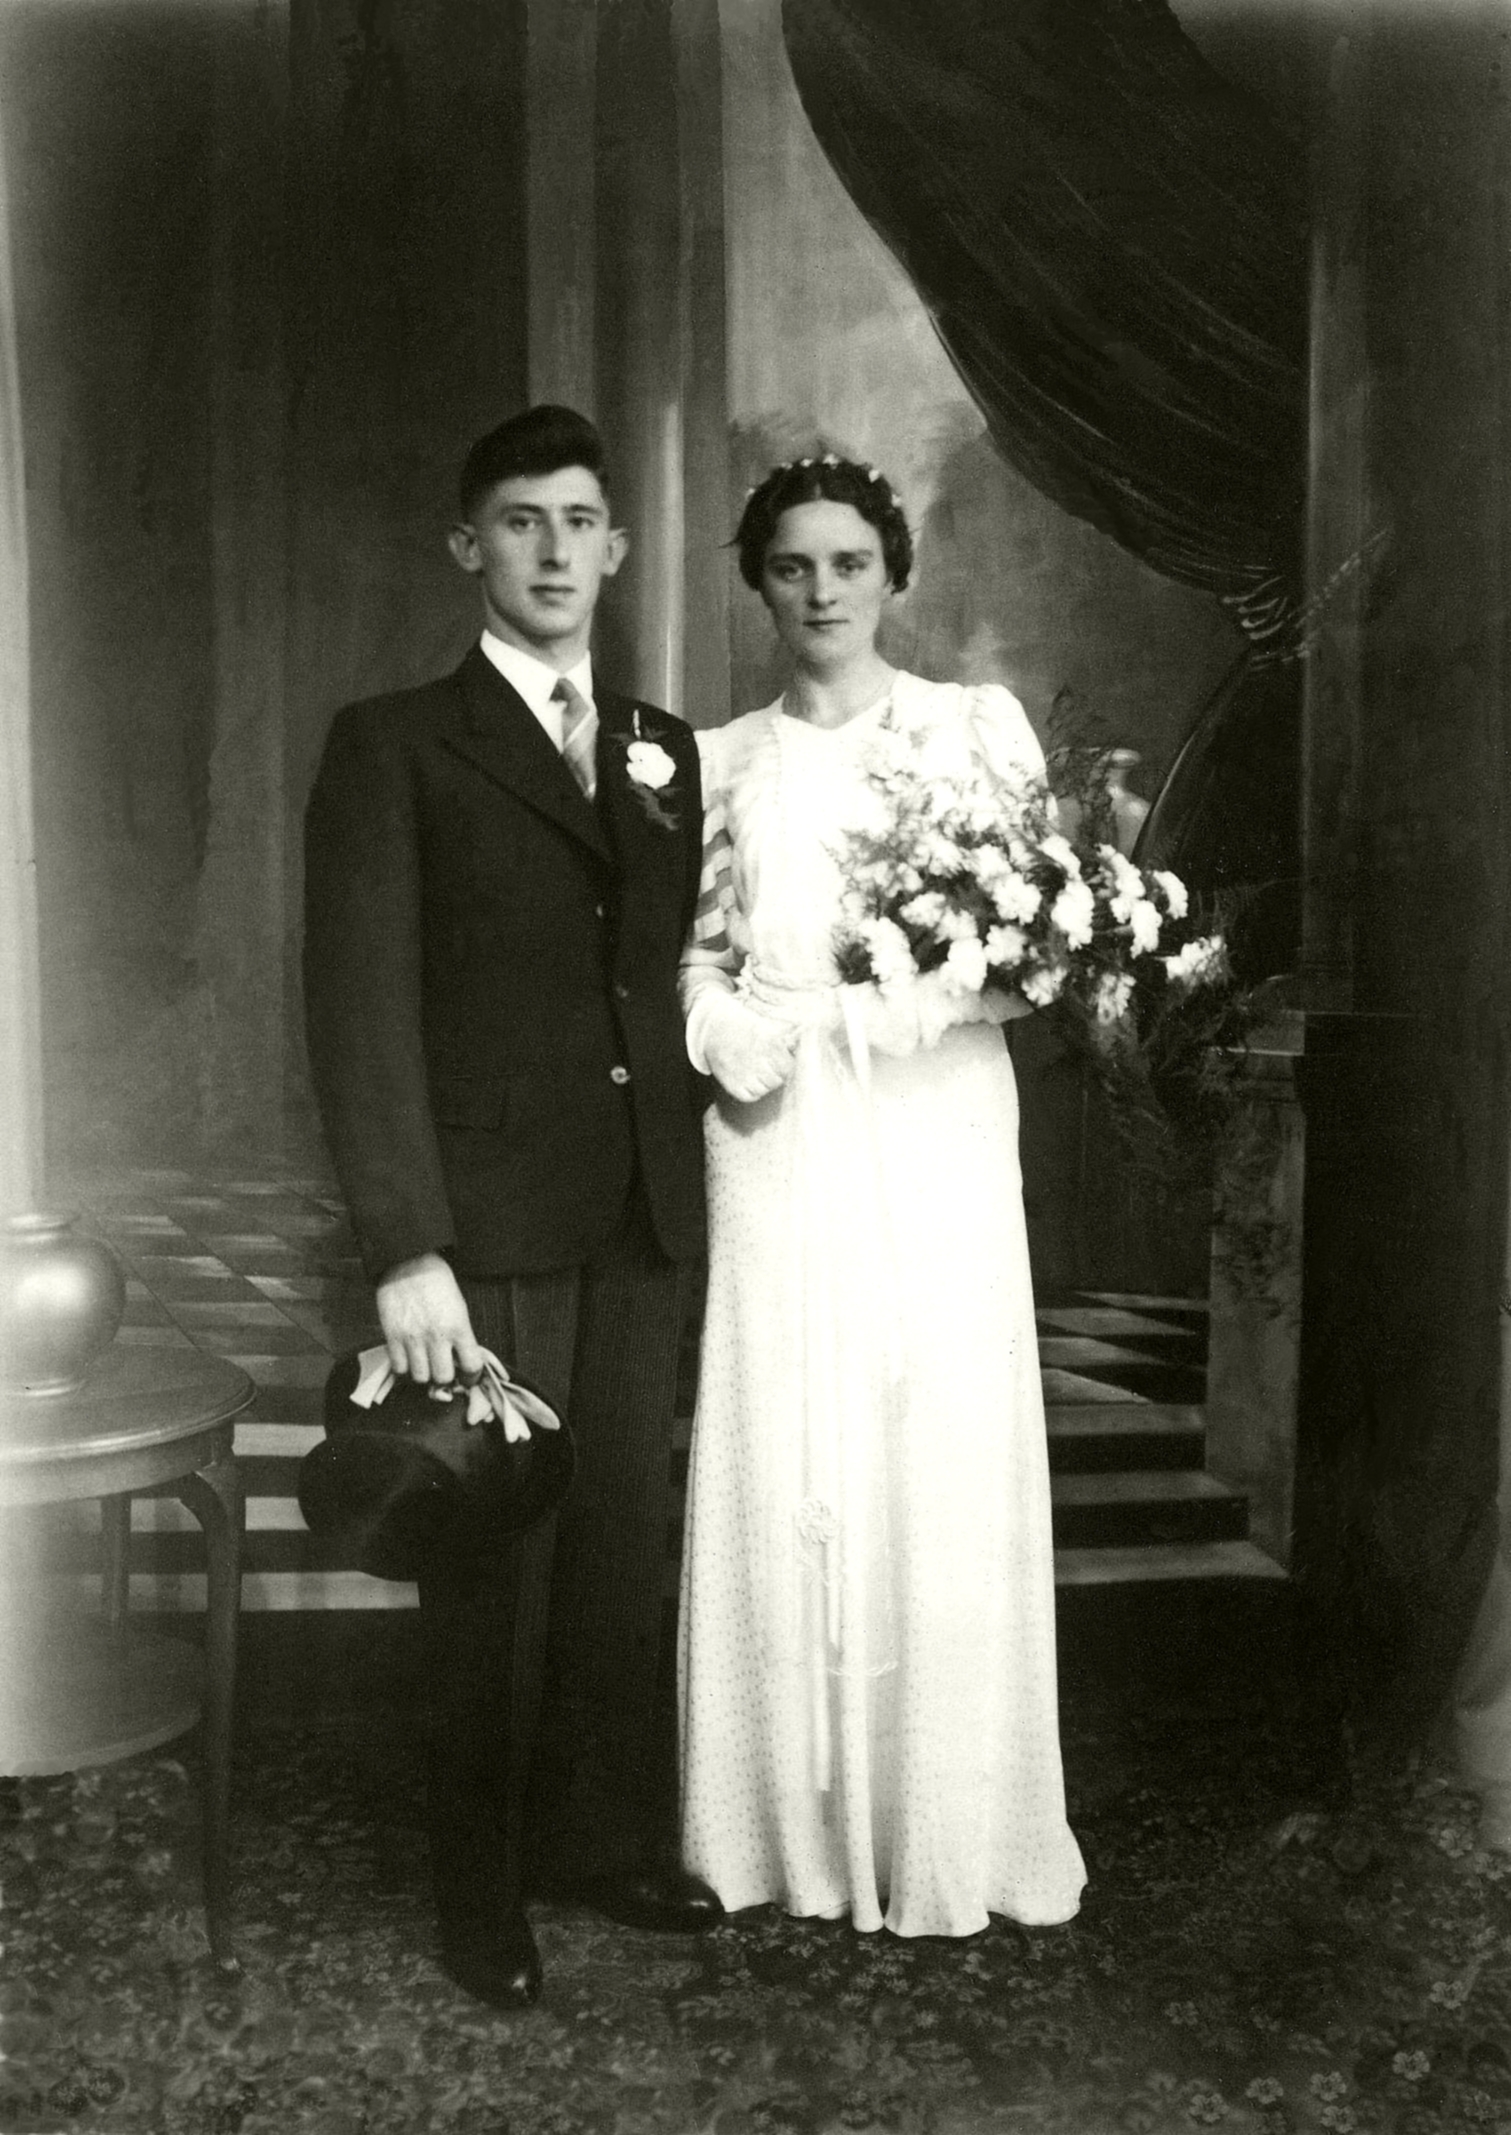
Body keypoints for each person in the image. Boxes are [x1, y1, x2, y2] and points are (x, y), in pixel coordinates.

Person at [302, 404, 720, 2010]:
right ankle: (477, 1891)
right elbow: (359, 1011)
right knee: (494, 1562)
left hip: (638, 1211)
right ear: (467, 546)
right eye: (522, 521)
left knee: (617, 1547)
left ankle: (595, 1839)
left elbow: (654, 979)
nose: (554, 550)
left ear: (618, 548)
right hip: (481, 1224)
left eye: (579, 521)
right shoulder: (395, 741)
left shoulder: (662, 747)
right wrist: (407, 1248)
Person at [676, 453, 1087, 1937]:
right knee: (789, 1435)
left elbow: (1042, 950)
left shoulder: (974, 730)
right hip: (777, 1125)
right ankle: (785, 1832)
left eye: (849, 562)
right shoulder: (723, 760)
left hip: (932, 1123)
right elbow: (697, 948)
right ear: (759, 583)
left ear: (894, 574)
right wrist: (714, 1027)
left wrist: (917, 1004)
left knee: (934, 1438)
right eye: (792, 566)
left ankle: (940, 1825)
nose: (823, 591)